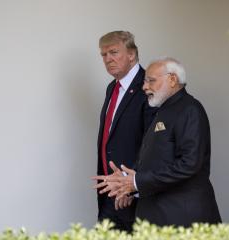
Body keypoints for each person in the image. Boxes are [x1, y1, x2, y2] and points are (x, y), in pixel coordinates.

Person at [93, 57, 222, 227]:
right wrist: (126, 181)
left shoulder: (189, 109)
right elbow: (156, 159)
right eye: (145, 81)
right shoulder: (163, 110)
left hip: (183, 219)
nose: (145, 87)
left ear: (173, 79)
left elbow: (189, 164)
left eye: (151, 80)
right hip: (162, 216)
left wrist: (136, 182)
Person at [96, 31, 156, 231]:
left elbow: (152, 142)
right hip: (109, 191)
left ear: (131, 54)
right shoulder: (111, 87)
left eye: (113, 52)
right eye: (103, 55)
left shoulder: (149, 85)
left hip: (132, 195)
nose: (108, 59)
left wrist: (130, 185)